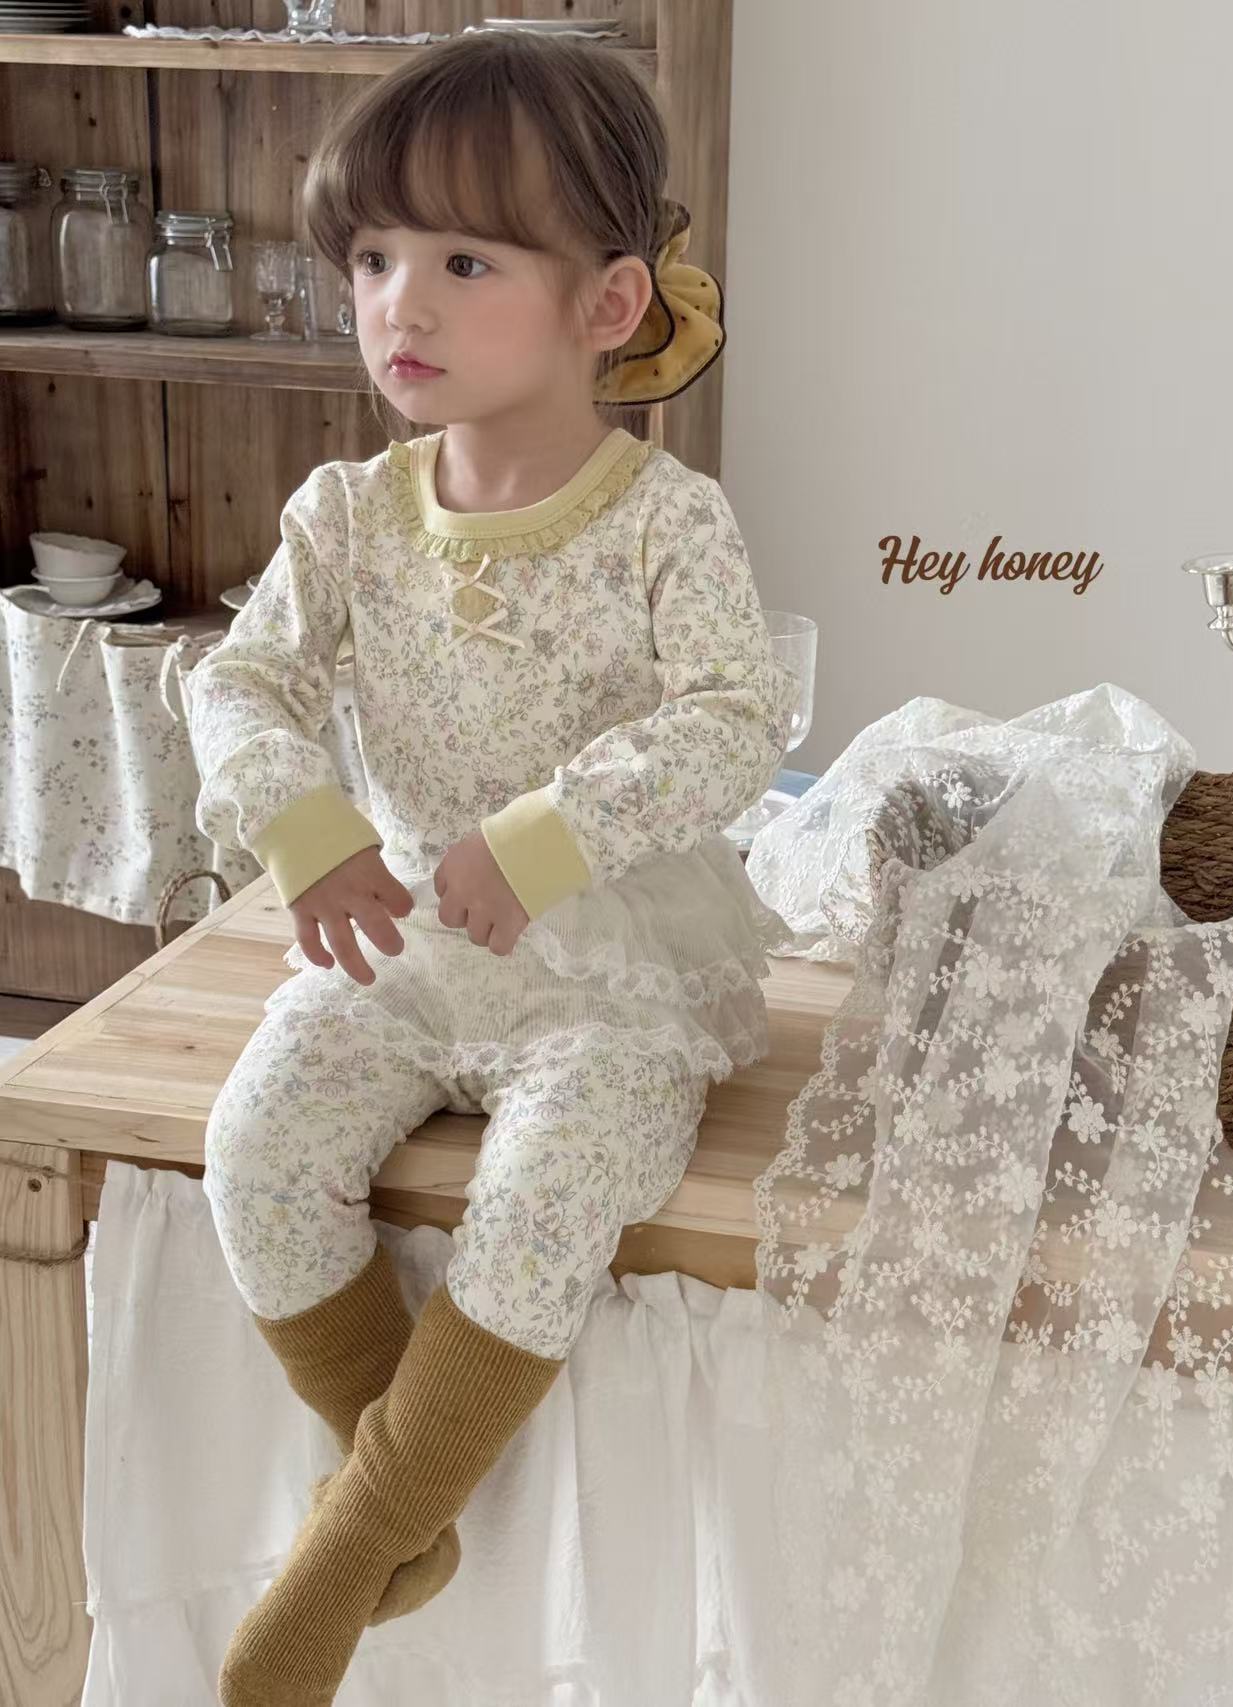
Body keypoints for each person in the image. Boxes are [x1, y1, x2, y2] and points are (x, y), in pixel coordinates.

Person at [187, 27, 796, 1707]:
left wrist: (548, 838)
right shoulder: (345, 517)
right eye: (373, 259)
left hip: (610, 967)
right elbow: (238, 681)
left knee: (551, 1191)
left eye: (465, 261)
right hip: (402, 937)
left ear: (608, 304)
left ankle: (349, 1545)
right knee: (254, 1145)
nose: (403, 302)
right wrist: (305, 828)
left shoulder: (667, 521)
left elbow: (736, 718)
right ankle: (402, 1521)